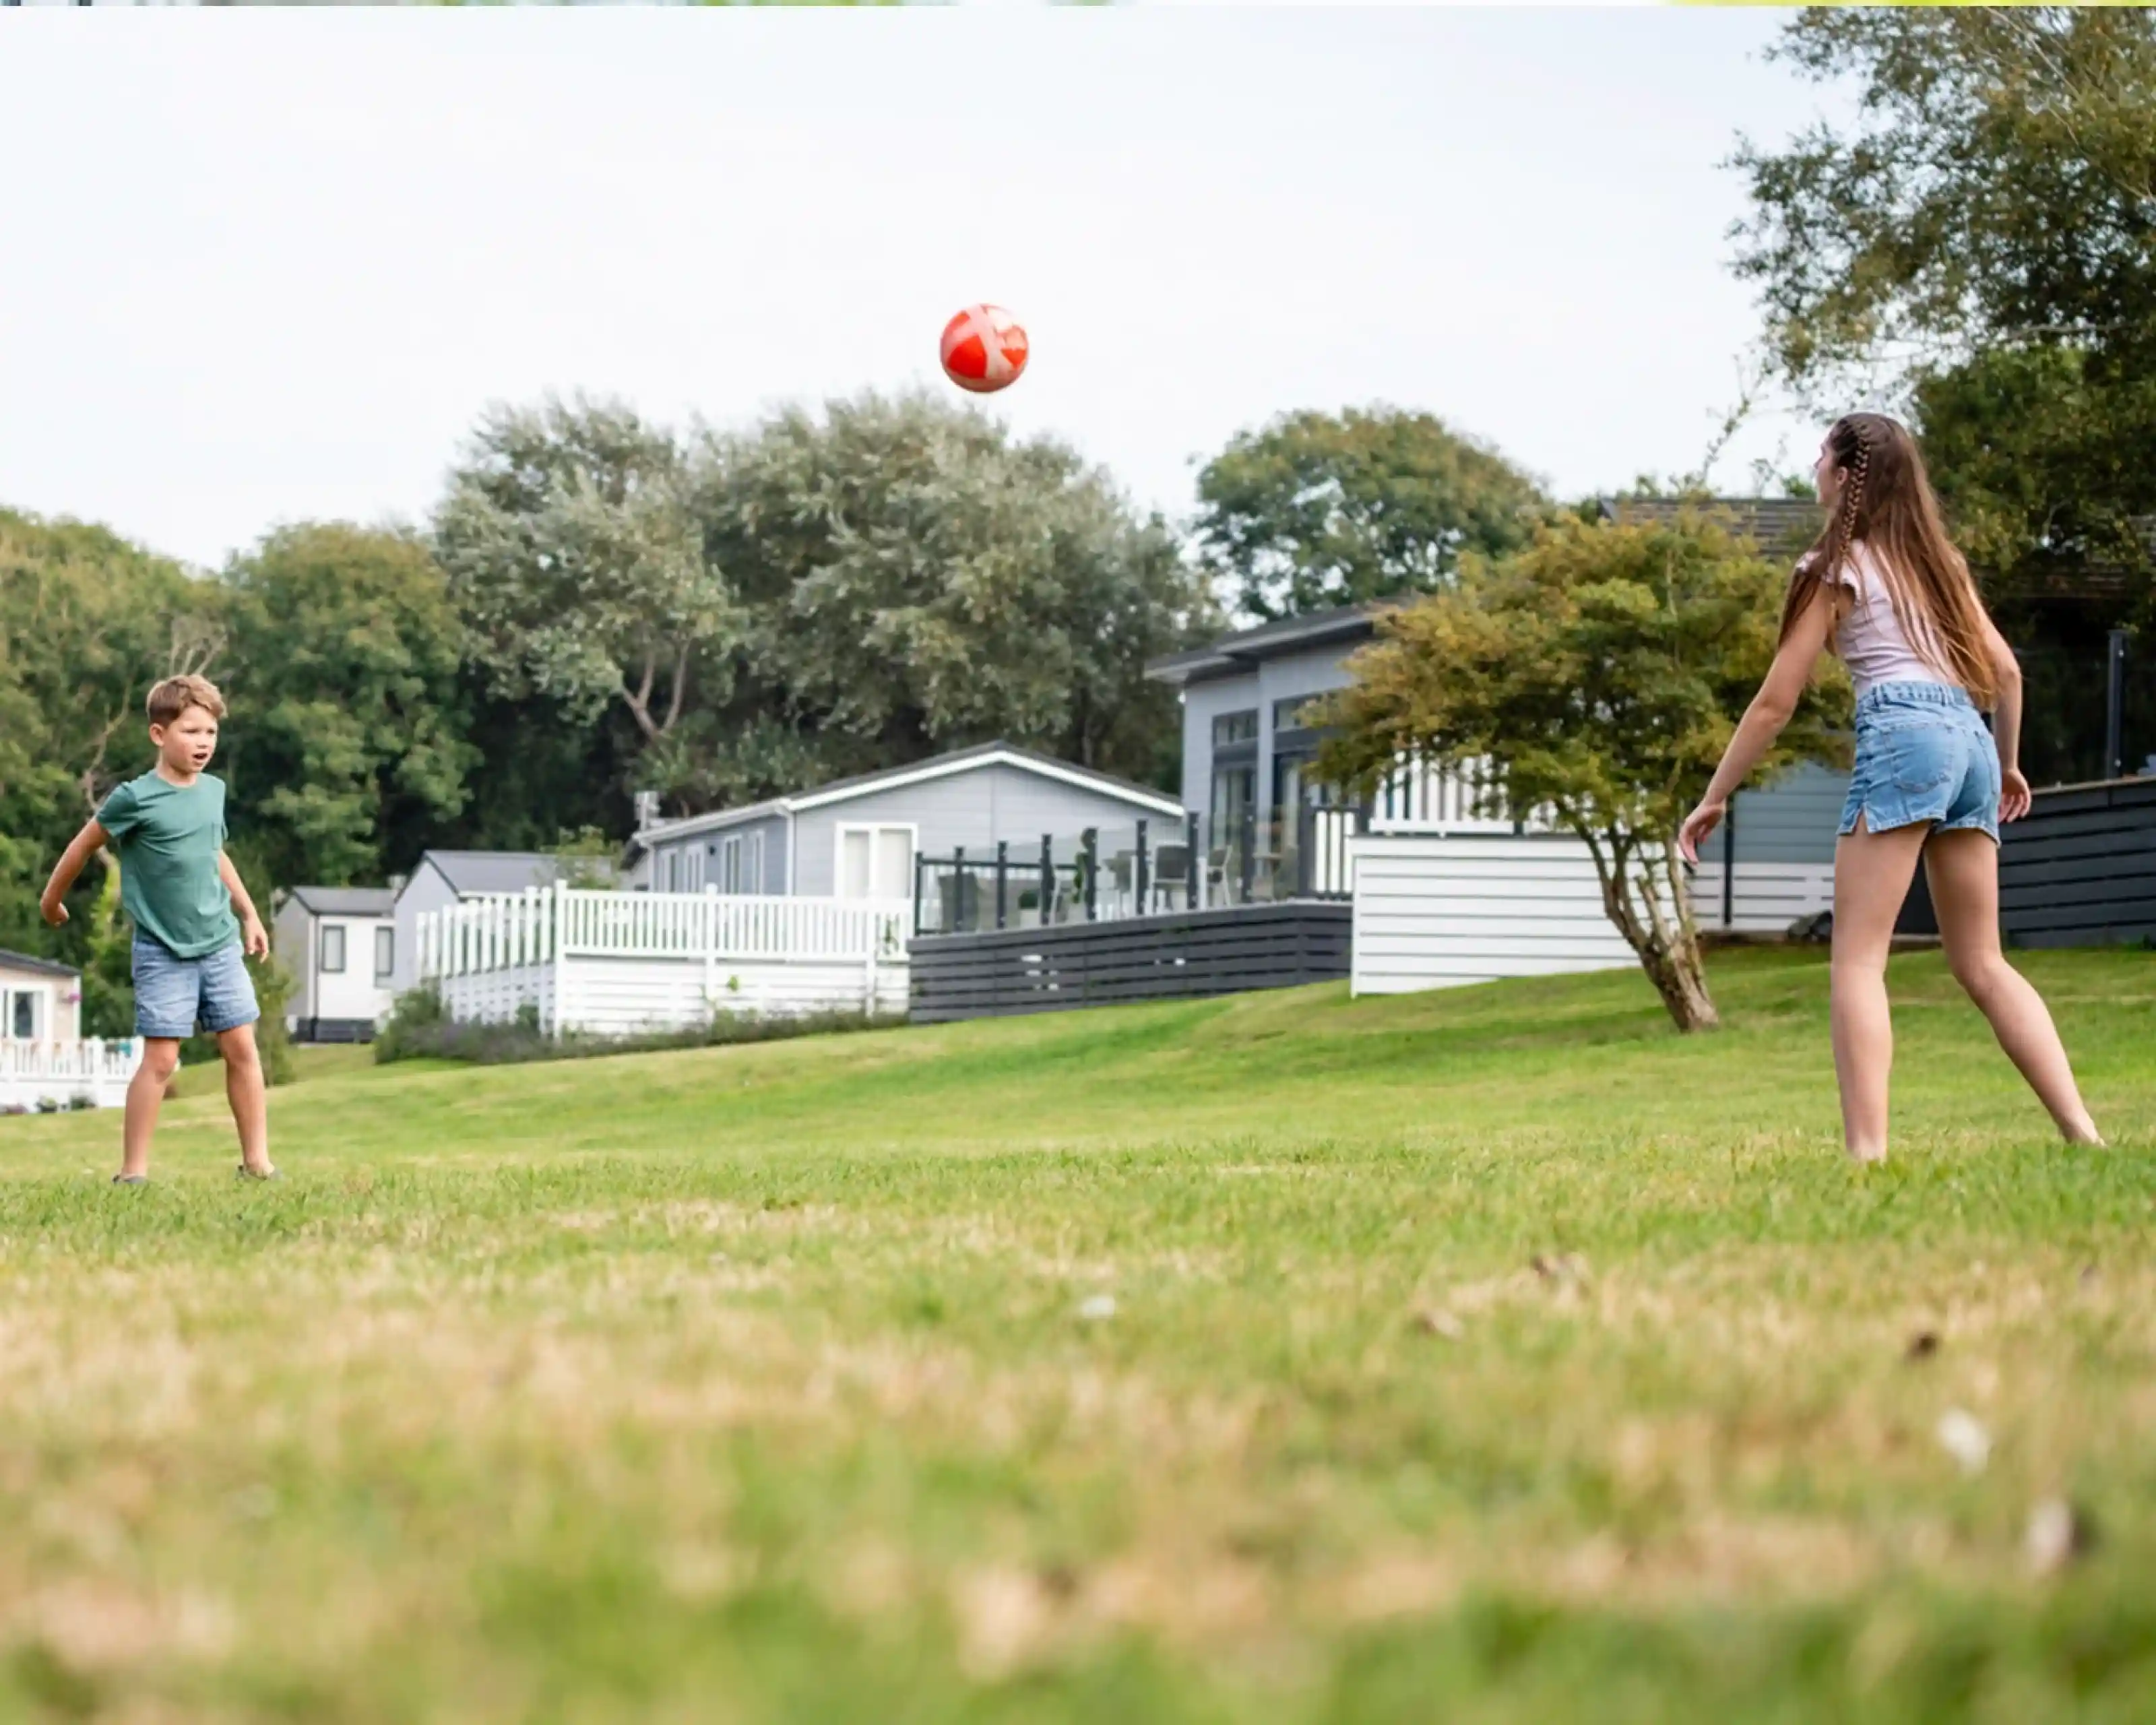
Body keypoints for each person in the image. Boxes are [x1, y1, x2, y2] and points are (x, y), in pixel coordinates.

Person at [1678, 414, 2102, 1164]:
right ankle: (2083, 1132)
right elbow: (2003, 674)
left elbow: (1775, 702)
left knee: (1856, 960)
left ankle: (1866, 1155)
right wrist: (2004, 763)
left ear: (1844, 476)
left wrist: (1714, 795)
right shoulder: (1940, 565)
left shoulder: (1830, 568)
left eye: (1820, 454)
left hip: (1903, 732)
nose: (1812, 464)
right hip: (1968, 737)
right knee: (1982, 962)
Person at [40, 673, 278, 1185]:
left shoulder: (212, 792)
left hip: (218, 944)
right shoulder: (135, 799)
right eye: (191, 732)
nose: (203, 744)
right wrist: (52, 900)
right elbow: (82, 847)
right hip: (163, 950)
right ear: (158, 734)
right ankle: (133, 1173)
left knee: (242, 1048)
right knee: (162, 1060)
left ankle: (257, 1163)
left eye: (210, 734)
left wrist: (250, 913)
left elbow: (214, 854)